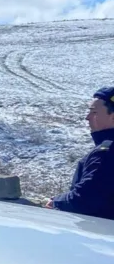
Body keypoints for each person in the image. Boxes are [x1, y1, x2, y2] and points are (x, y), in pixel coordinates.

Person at [45, 86, 114, 219]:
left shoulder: (107, 152)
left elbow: (85, 199)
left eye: (94, 112)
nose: (87, 118)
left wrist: (56, 202)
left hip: (101, 235)